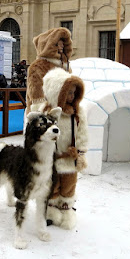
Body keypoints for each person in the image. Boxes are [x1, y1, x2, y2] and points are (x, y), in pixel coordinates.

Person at [40, 67, 88, 230]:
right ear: (57, 92)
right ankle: (51, 210)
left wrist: (80, 153)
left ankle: (66, 208)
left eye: (74, 93)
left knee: (69, 184)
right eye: (68, 92)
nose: (72, 96)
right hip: (51, 158)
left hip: (69, 158)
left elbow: (82, 133)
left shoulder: (77, 113)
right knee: (51, 185)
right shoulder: (47, 112)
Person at [26, 27, 73, 113]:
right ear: (50, 45)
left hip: (63, 110)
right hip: (46, 112)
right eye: (59, 43)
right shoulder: (38, 66)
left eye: (63, 43)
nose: (62, 45)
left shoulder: (65, 66)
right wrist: (41, 112)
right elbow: (36, 94)